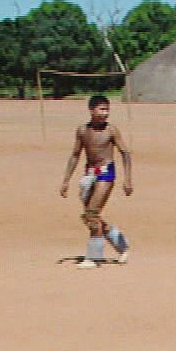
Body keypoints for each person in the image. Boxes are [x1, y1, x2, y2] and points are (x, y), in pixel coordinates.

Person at [58, 94, 134, 269]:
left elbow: (125, 153)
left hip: (106, 174)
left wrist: (127, 179)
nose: (105, 113)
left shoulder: (111, 130)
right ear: (91, 110)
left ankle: (94, 257)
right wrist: (66, 180)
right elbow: (75, 155)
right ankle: (121, 244)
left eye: (107, 109)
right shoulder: (82, 131)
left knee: (92, 213)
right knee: (90, 217)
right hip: (89, 174)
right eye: (101, 109)